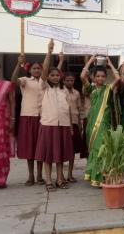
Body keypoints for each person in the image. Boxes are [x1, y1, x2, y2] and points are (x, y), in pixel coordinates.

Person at [35, 40, 73, 191]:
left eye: (58, 75)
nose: (56, 77)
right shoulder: (44, 87)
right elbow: (44, 72)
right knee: (48, 156)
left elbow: (67, 110)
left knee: (60, 156)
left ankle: (59, 179)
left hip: (62, 126)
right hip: (48, 125)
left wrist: (70, 126)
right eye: (52, 75)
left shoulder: (64, 91)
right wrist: (49, 52)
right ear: (48, 77)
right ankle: (48, 181)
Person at [81, 55, 120, 187]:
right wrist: (91, 61)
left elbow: (118, 78)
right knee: (95, 148)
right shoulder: (90, 89)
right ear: (93, 77)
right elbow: (82, 76)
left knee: (102, 147)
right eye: (97, 76)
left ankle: (102, 176)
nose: (100, 79)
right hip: (93, 121)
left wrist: (110, 64)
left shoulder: (108, 88)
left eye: (103, 76)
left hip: (104, 121)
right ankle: (94, 176)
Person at [11, 55, 44, 186]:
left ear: (42, 70)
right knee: (30, 148)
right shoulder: (25, 80)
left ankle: (40, 176)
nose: (36, 70)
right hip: (27, 116)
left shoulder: (44, 81)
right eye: (34, 68)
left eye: (39, 68)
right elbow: (13, 81)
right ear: (30, 70)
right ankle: (31, 176)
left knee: (40, 148)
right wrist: (18, 64)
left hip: (42, 117)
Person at [0, 61, 14, 188]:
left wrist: (13, 120)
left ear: (0, 69)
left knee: (0, 149)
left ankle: (0, 180)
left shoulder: (6, 85)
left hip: (1, 122)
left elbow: (12, 103)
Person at [64, 72, 84, 183]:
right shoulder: (61, 92)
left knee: (72, 151)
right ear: (64, 81)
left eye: (72, 80)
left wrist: (81, 126)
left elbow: (80, 110)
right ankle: (61, 175)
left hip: (75, 123)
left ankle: (70, 174)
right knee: (63, 150)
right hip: (64, 124)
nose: (70, 82)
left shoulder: (76, 93)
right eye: (67, 80)